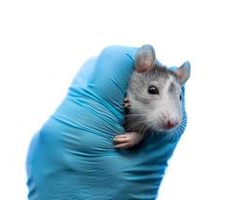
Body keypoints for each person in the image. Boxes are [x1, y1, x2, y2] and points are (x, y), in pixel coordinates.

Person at [26, 45, 188, 200]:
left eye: (179, 97)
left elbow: (141, 132)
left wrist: (136, 137)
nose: (173, 119)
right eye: (153, 90)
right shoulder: (127, 83)